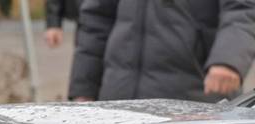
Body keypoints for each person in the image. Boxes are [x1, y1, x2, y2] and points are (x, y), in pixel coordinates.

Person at [70, 0, 255, 102]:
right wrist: (84, 88)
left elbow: (243, 9)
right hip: (118, 100)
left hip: (194, 101)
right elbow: (96, 20)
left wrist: (228, 60)